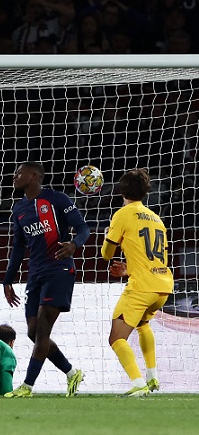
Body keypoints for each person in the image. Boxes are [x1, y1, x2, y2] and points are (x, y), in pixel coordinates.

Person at [2, 162, 90, 397]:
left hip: (59, 271)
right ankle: (72, 373)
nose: (14, 175)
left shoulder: (57, 199)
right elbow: (18, 247)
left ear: (33, 176)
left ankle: (27, 386)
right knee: (33, 333)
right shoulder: (19, 209)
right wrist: (8, 280)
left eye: (19, 172)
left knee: (41, 332)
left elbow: (83, 229)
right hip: (36, 275)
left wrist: (74, 244)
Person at [101, 168, 174, 397]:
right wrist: (128, 269)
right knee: (142, 325)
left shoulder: (123, 214)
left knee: (116, 337)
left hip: (142, 287)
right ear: (145, 191)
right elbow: (154, 256)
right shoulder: (156, 219)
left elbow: (106, 253)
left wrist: (107, 236)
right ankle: (153, 378)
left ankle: (138, 383)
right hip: (162, 286)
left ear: (121, 190)